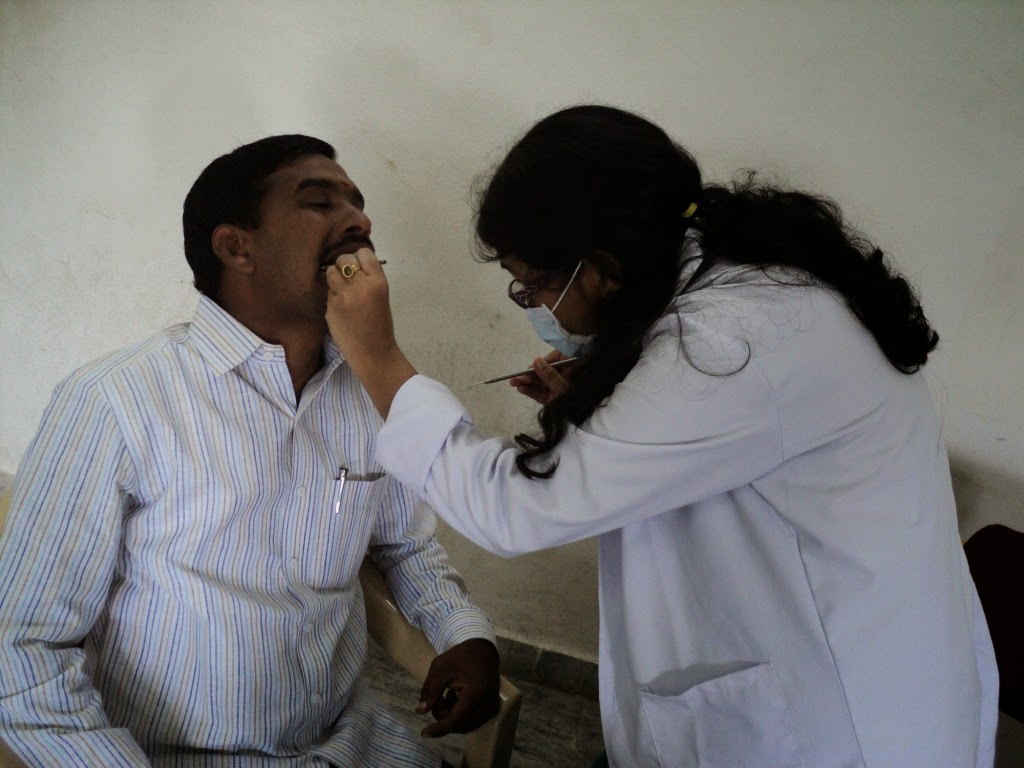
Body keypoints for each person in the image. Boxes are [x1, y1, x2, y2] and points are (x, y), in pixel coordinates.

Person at [322, 106, 999, 767]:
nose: (535, 308)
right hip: (841, 661)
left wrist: (377, 359)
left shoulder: (731, 344)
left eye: (534, 289)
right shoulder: (753, 284)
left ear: (601, 269)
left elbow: (517, 510)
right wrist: (613, 402)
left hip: (840, 722)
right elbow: (708, 435)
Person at [0, 135, 499, 768]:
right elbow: (23, 646)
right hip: (171, 754)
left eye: (357, 203)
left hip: (347, 742)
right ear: (237, 248)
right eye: (320, 202)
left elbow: (403, 544)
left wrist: (465, 633)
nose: (359, 222)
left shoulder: (372, 390)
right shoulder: (115, 399)